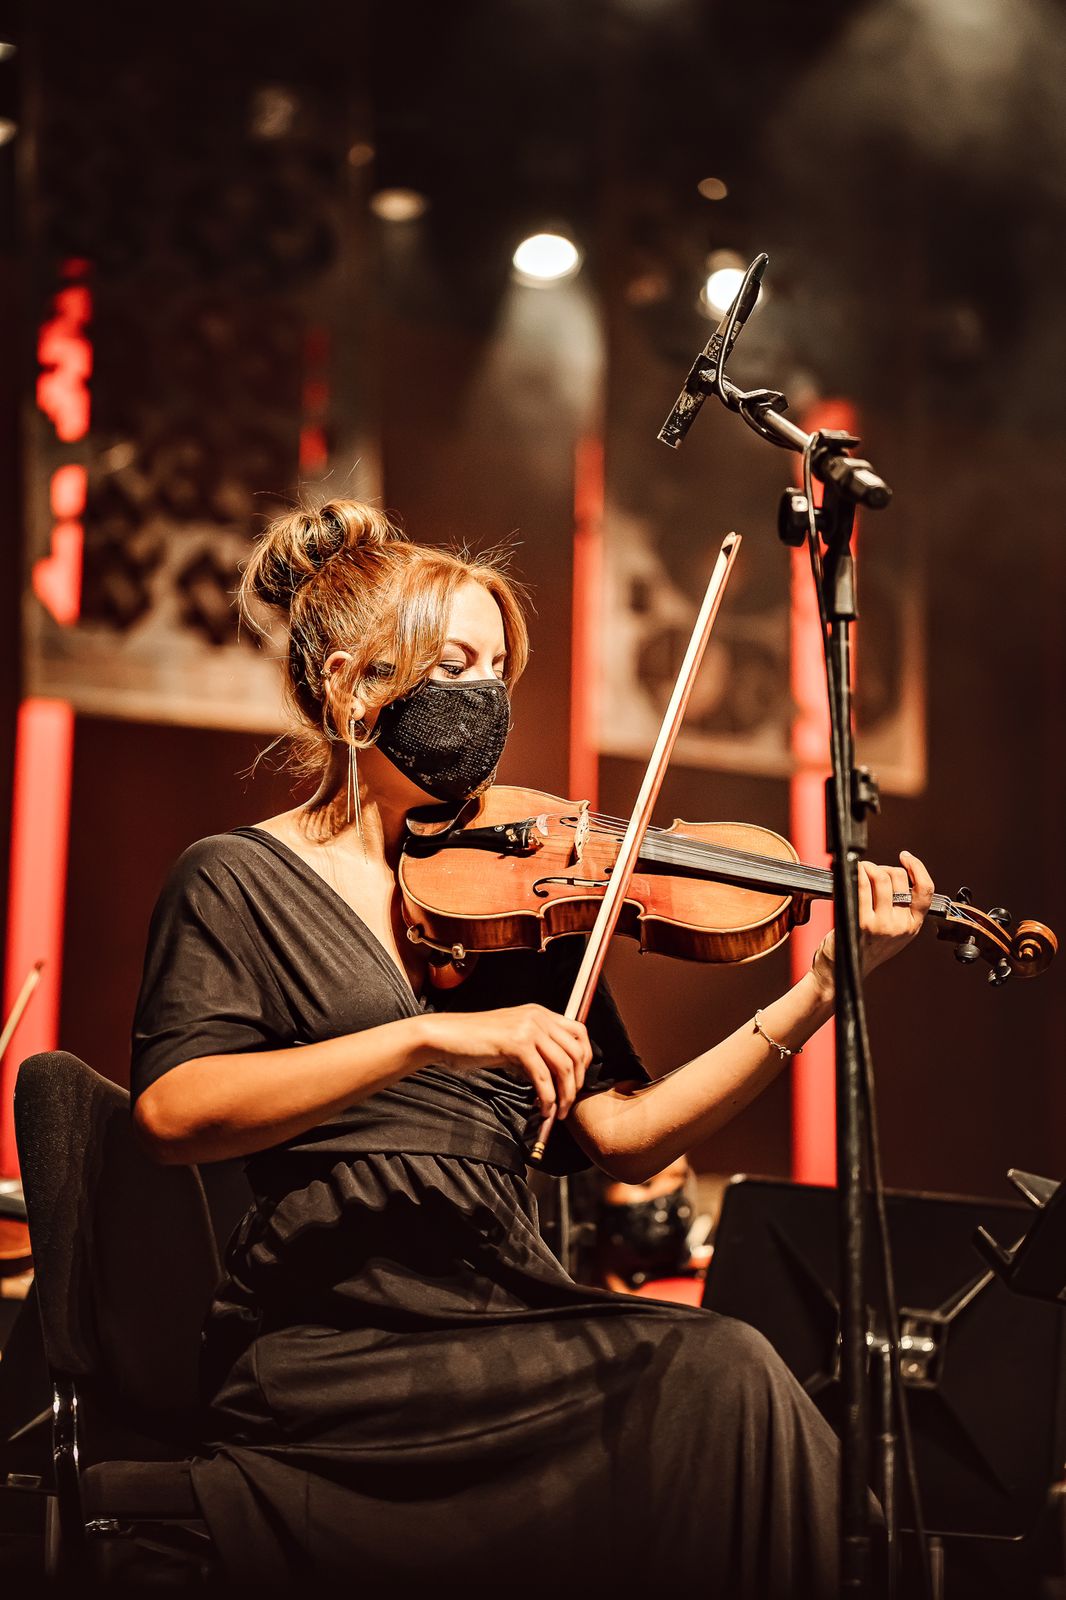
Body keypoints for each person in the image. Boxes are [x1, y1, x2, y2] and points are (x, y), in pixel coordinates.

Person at [131, 500, 933, 1594]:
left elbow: (631, 1139)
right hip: (338, 1340)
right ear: (354, 686)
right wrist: (422, 1040)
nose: (487, 700)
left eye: (499, 670)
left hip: (507, 1310)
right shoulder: (233, 880)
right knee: (719, 1376)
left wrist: (824, 991)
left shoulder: (514, 904)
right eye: (455, 663)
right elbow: (176, 1113)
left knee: (729, 1376)